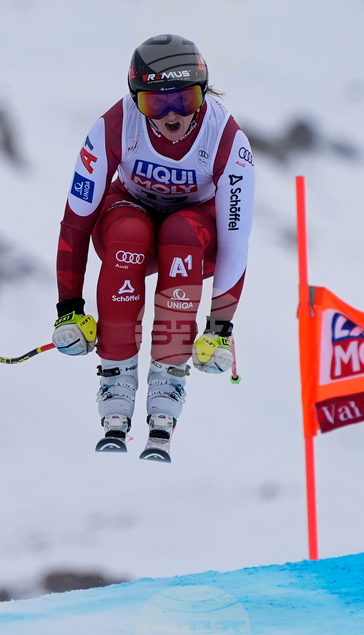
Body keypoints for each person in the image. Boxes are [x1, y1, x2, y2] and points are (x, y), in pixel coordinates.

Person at [51, 34, 254, 463]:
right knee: (130, 230)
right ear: (135, 100)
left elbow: (235, 239)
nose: (172, 115)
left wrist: (220, 329)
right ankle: (116, 383)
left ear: (203, 93)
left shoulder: (226, 137)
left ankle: (168, 382)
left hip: (194, 235)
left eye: (184, 99)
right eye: (154, 105)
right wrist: (68, 309)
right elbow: (77, 221)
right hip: (128, 224)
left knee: (180, 232)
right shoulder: (114, 125)